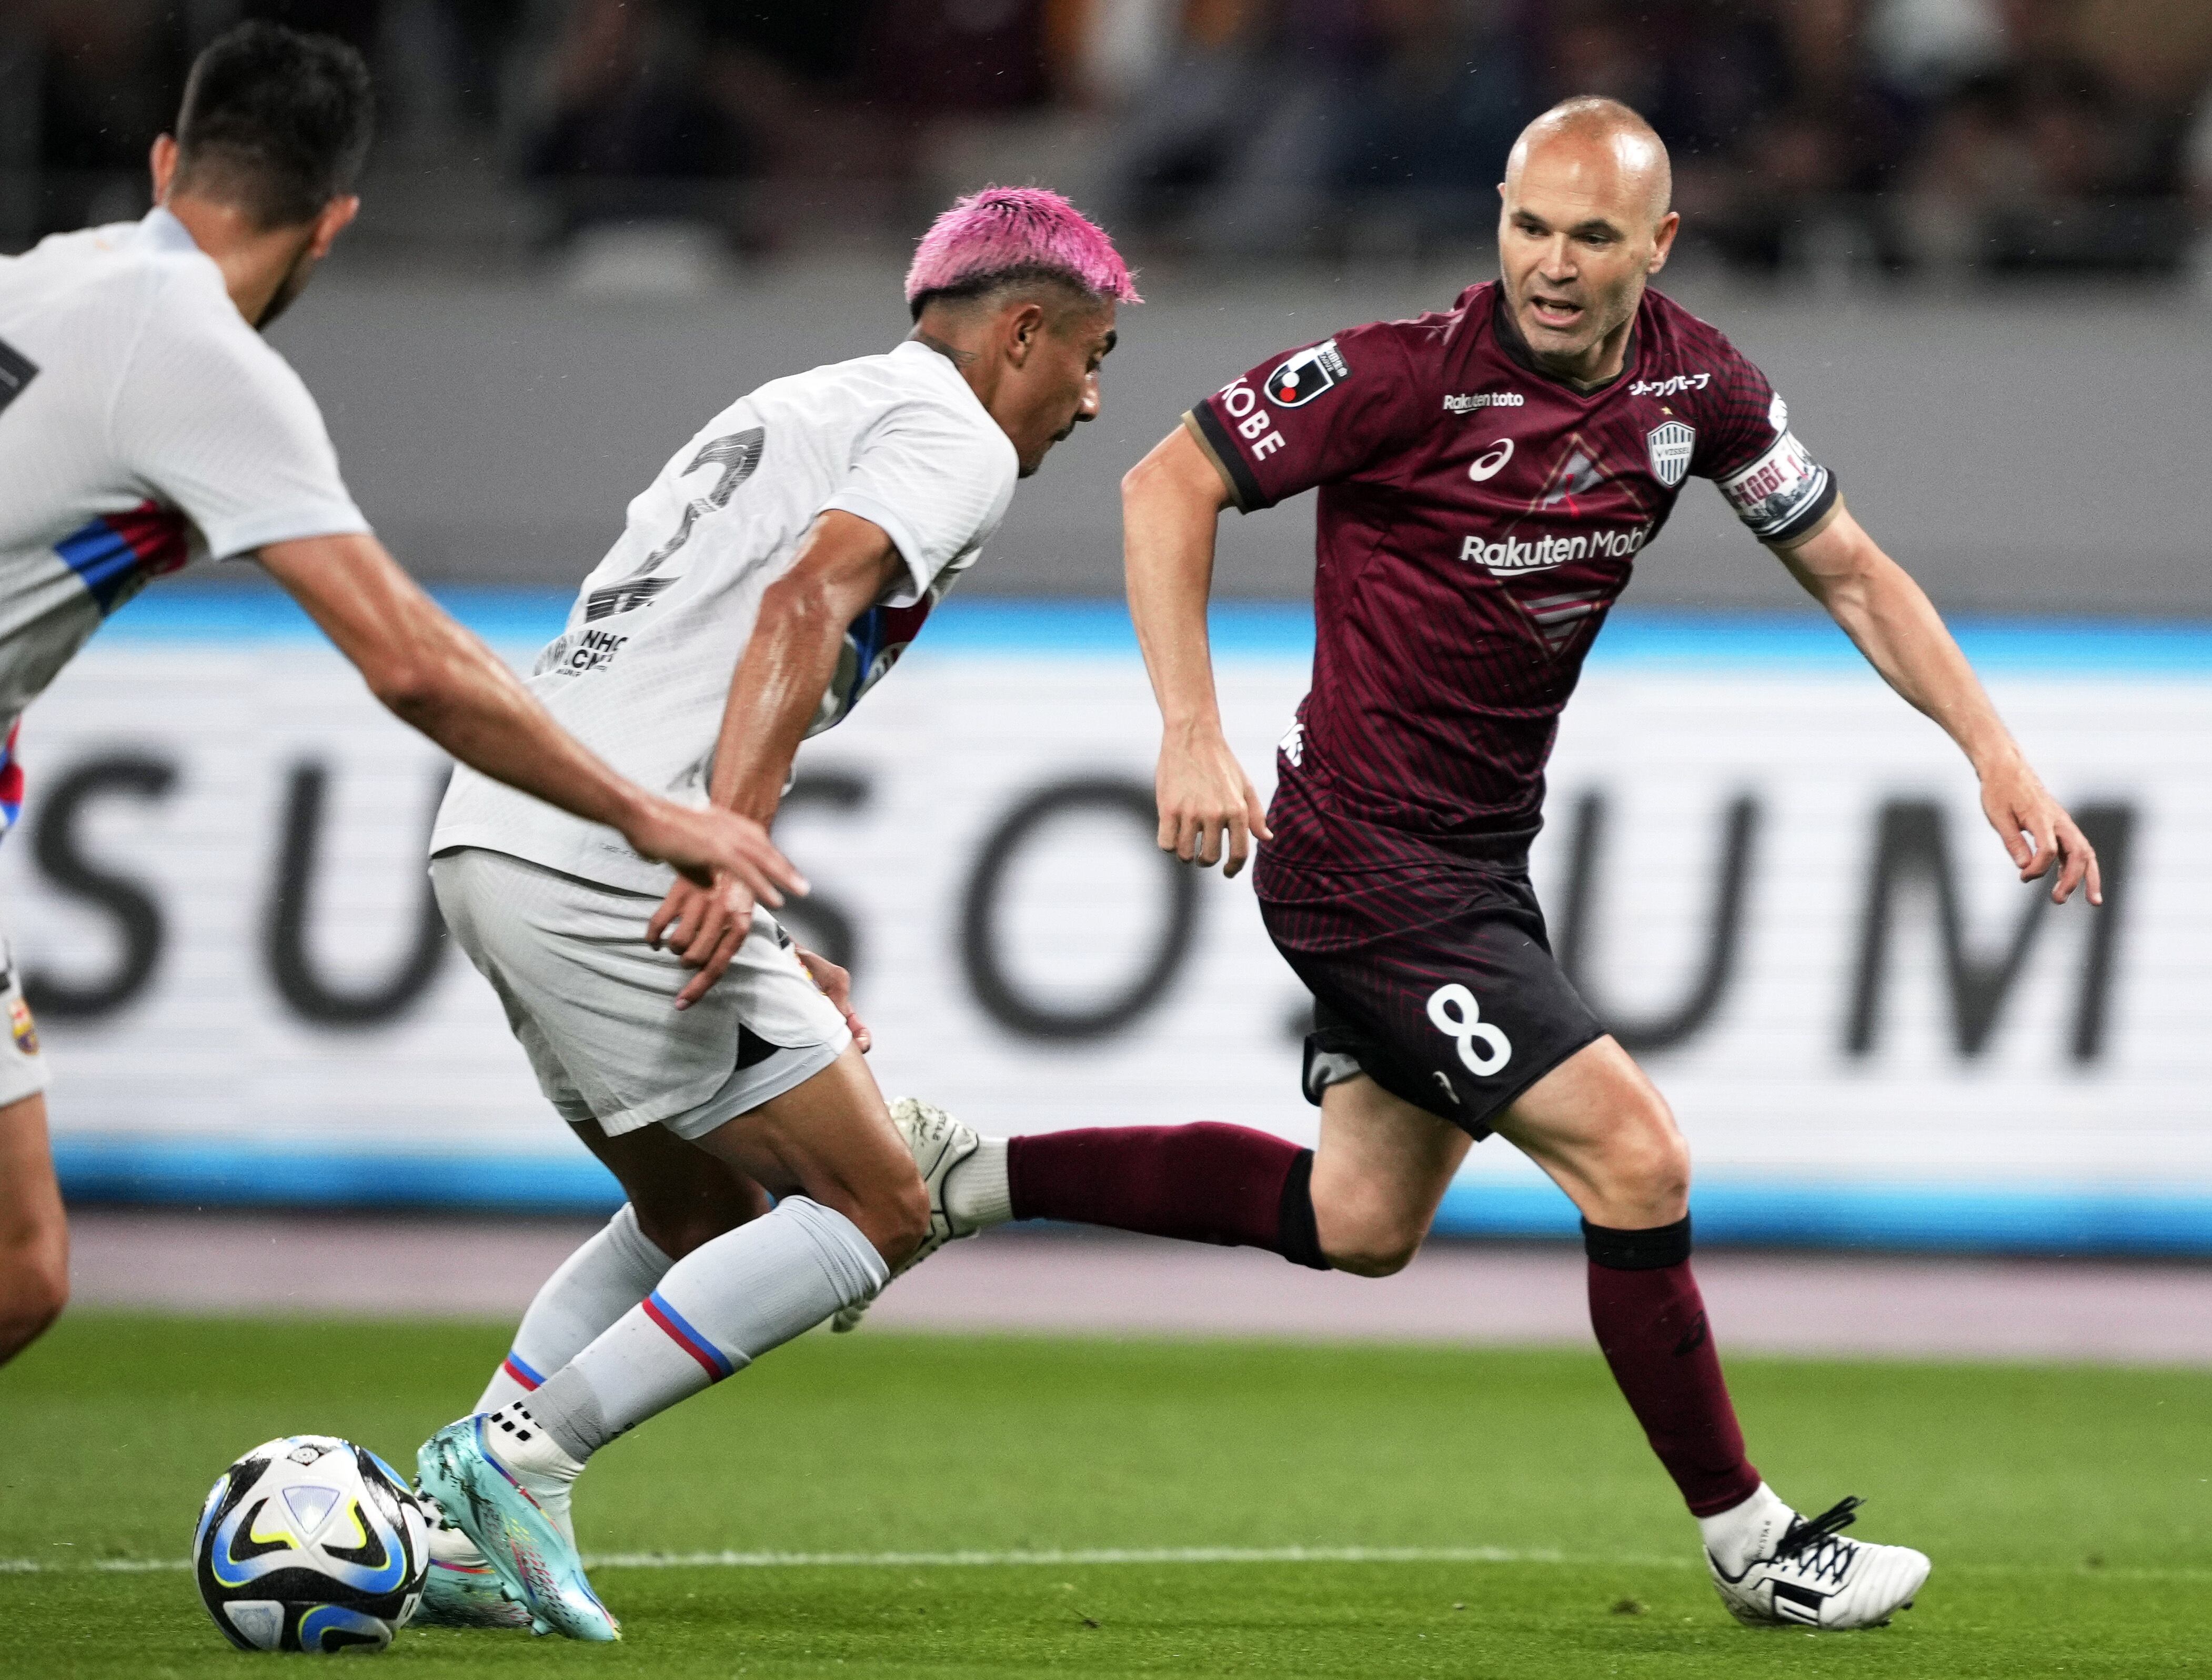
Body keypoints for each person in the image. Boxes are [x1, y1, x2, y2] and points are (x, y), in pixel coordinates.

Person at [866, 98, 2104, 1631]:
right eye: (1528, 226)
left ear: (1658, 245)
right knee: (1636, 1159)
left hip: (1475, 863)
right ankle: (1752, 1545)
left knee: (1359, 1223)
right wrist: (1189, 731)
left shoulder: (1697, 387)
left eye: (1591, 236)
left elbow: (1846, 568)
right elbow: (1162, 484)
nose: (1552, 265)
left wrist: (1991, 750)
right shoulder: (1396, 375)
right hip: (1360, 861)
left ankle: (961, 1176)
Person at [0, 20, 804, 1372]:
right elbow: (413, 662)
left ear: (163, 163)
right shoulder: (201, 361)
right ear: (334, 224)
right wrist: (648, 814)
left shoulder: (37, 277)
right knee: (18, 1269)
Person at [409, 186, 1135, 1641]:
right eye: (1091, 356)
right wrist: (723, 853)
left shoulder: (799, 404)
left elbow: (702, 648)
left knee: (697, 1211)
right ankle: (519, 1460)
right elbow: (802, 605)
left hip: (496, 831)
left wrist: (745, 897)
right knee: (880, 1202)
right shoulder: (950, 436)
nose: (1091, 399)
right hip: (617, 847)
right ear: (1020, 332)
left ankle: (459, 1538)